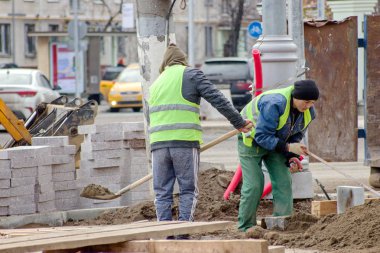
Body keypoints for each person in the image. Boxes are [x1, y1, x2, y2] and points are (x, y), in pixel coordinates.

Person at [148, 44, 252, 226]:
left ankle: (163, 234)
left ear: (165, 62)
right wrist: (239, 122)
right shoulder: (190, 74)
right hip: (184, 142)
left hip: (158, 144)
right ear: (183, 60)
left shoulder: (157, 82)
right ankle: (183, 232)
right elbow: (217, 98)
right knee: (188, 190)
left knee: (162, 192)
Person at [237, 80, 319, 233]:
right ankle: (246, 227)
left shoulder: (309, 112)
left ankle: (282, 223)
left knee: (283, 181)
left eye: (312, 102)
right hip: (252, 140)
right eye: (306, 101)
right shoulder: (275, 103)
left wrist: (291, 156)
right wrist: (288, 147)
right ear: (296, 96)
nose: (308, 106)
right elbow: (262, 136)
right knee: (254, 184)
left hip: (276, 143)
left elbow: (295, 135)